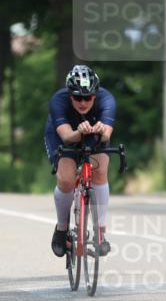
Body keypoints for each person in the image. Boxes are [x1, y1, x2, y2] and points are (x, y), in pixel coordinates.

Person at [44, 64, 115, 258]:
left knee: (100, 171)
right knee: (66, 179)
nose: (83, 102)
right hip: (63, 135)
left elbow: (107, 134)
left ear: (95, 95)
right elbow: (67, 137)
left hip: (93, 134)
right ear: (69, 96)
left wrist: (101, 131)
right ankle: (62, 228)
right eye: (77, 98)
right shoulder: (58, 100)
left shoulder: (107, 99)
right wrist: (79, 132)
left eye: (88, 97)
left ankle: (100, 232)